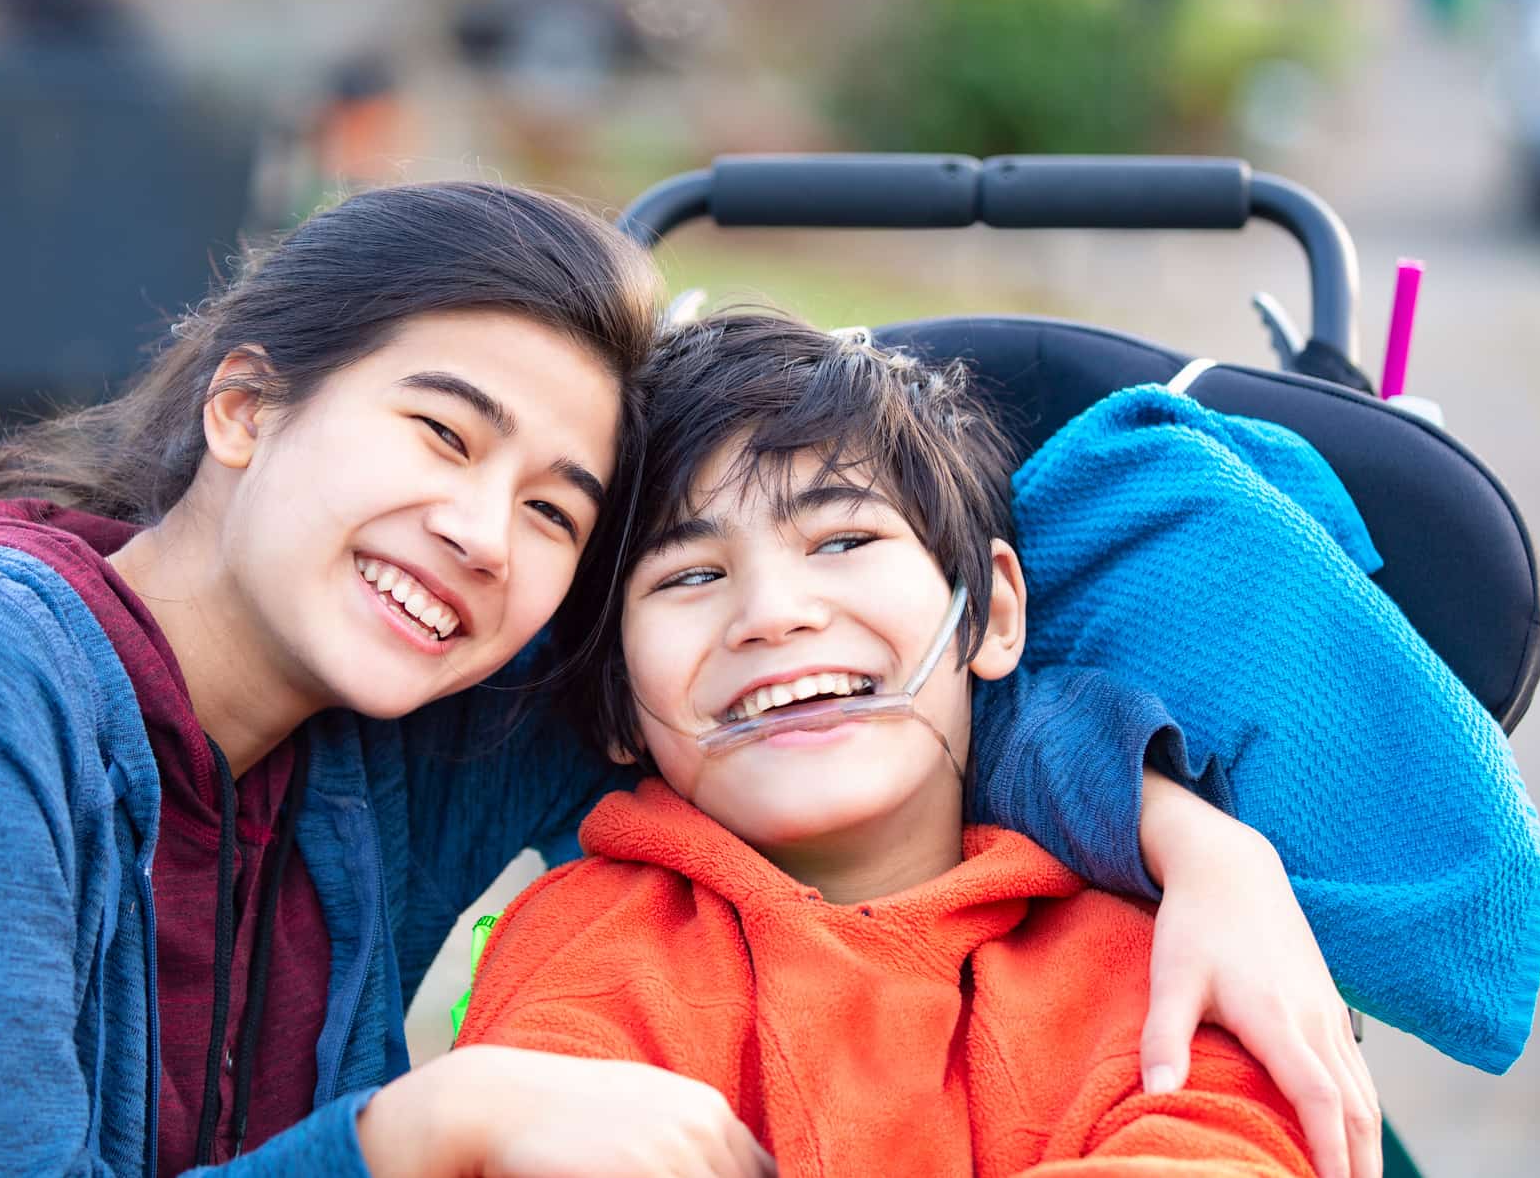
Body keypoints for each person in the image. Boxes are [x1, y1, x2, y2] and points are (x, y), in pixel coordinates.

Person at [0, 186, 1368, 1178]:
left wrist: (1191, 835)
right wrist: (414, 1126)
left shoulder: (394, 727)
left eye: (554, 505)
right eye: (439, 428)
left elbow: (825, 697)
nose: (477, 530)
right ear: (245, 404)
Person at [455, 311, 1368, 1176]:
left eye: (845, 537)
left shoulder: (1157, 959)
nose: (773, 616)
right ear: (616, 707)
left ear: (994, 615)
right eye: (691, 573)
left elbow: (1218, 1141)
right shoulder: (589, 947)